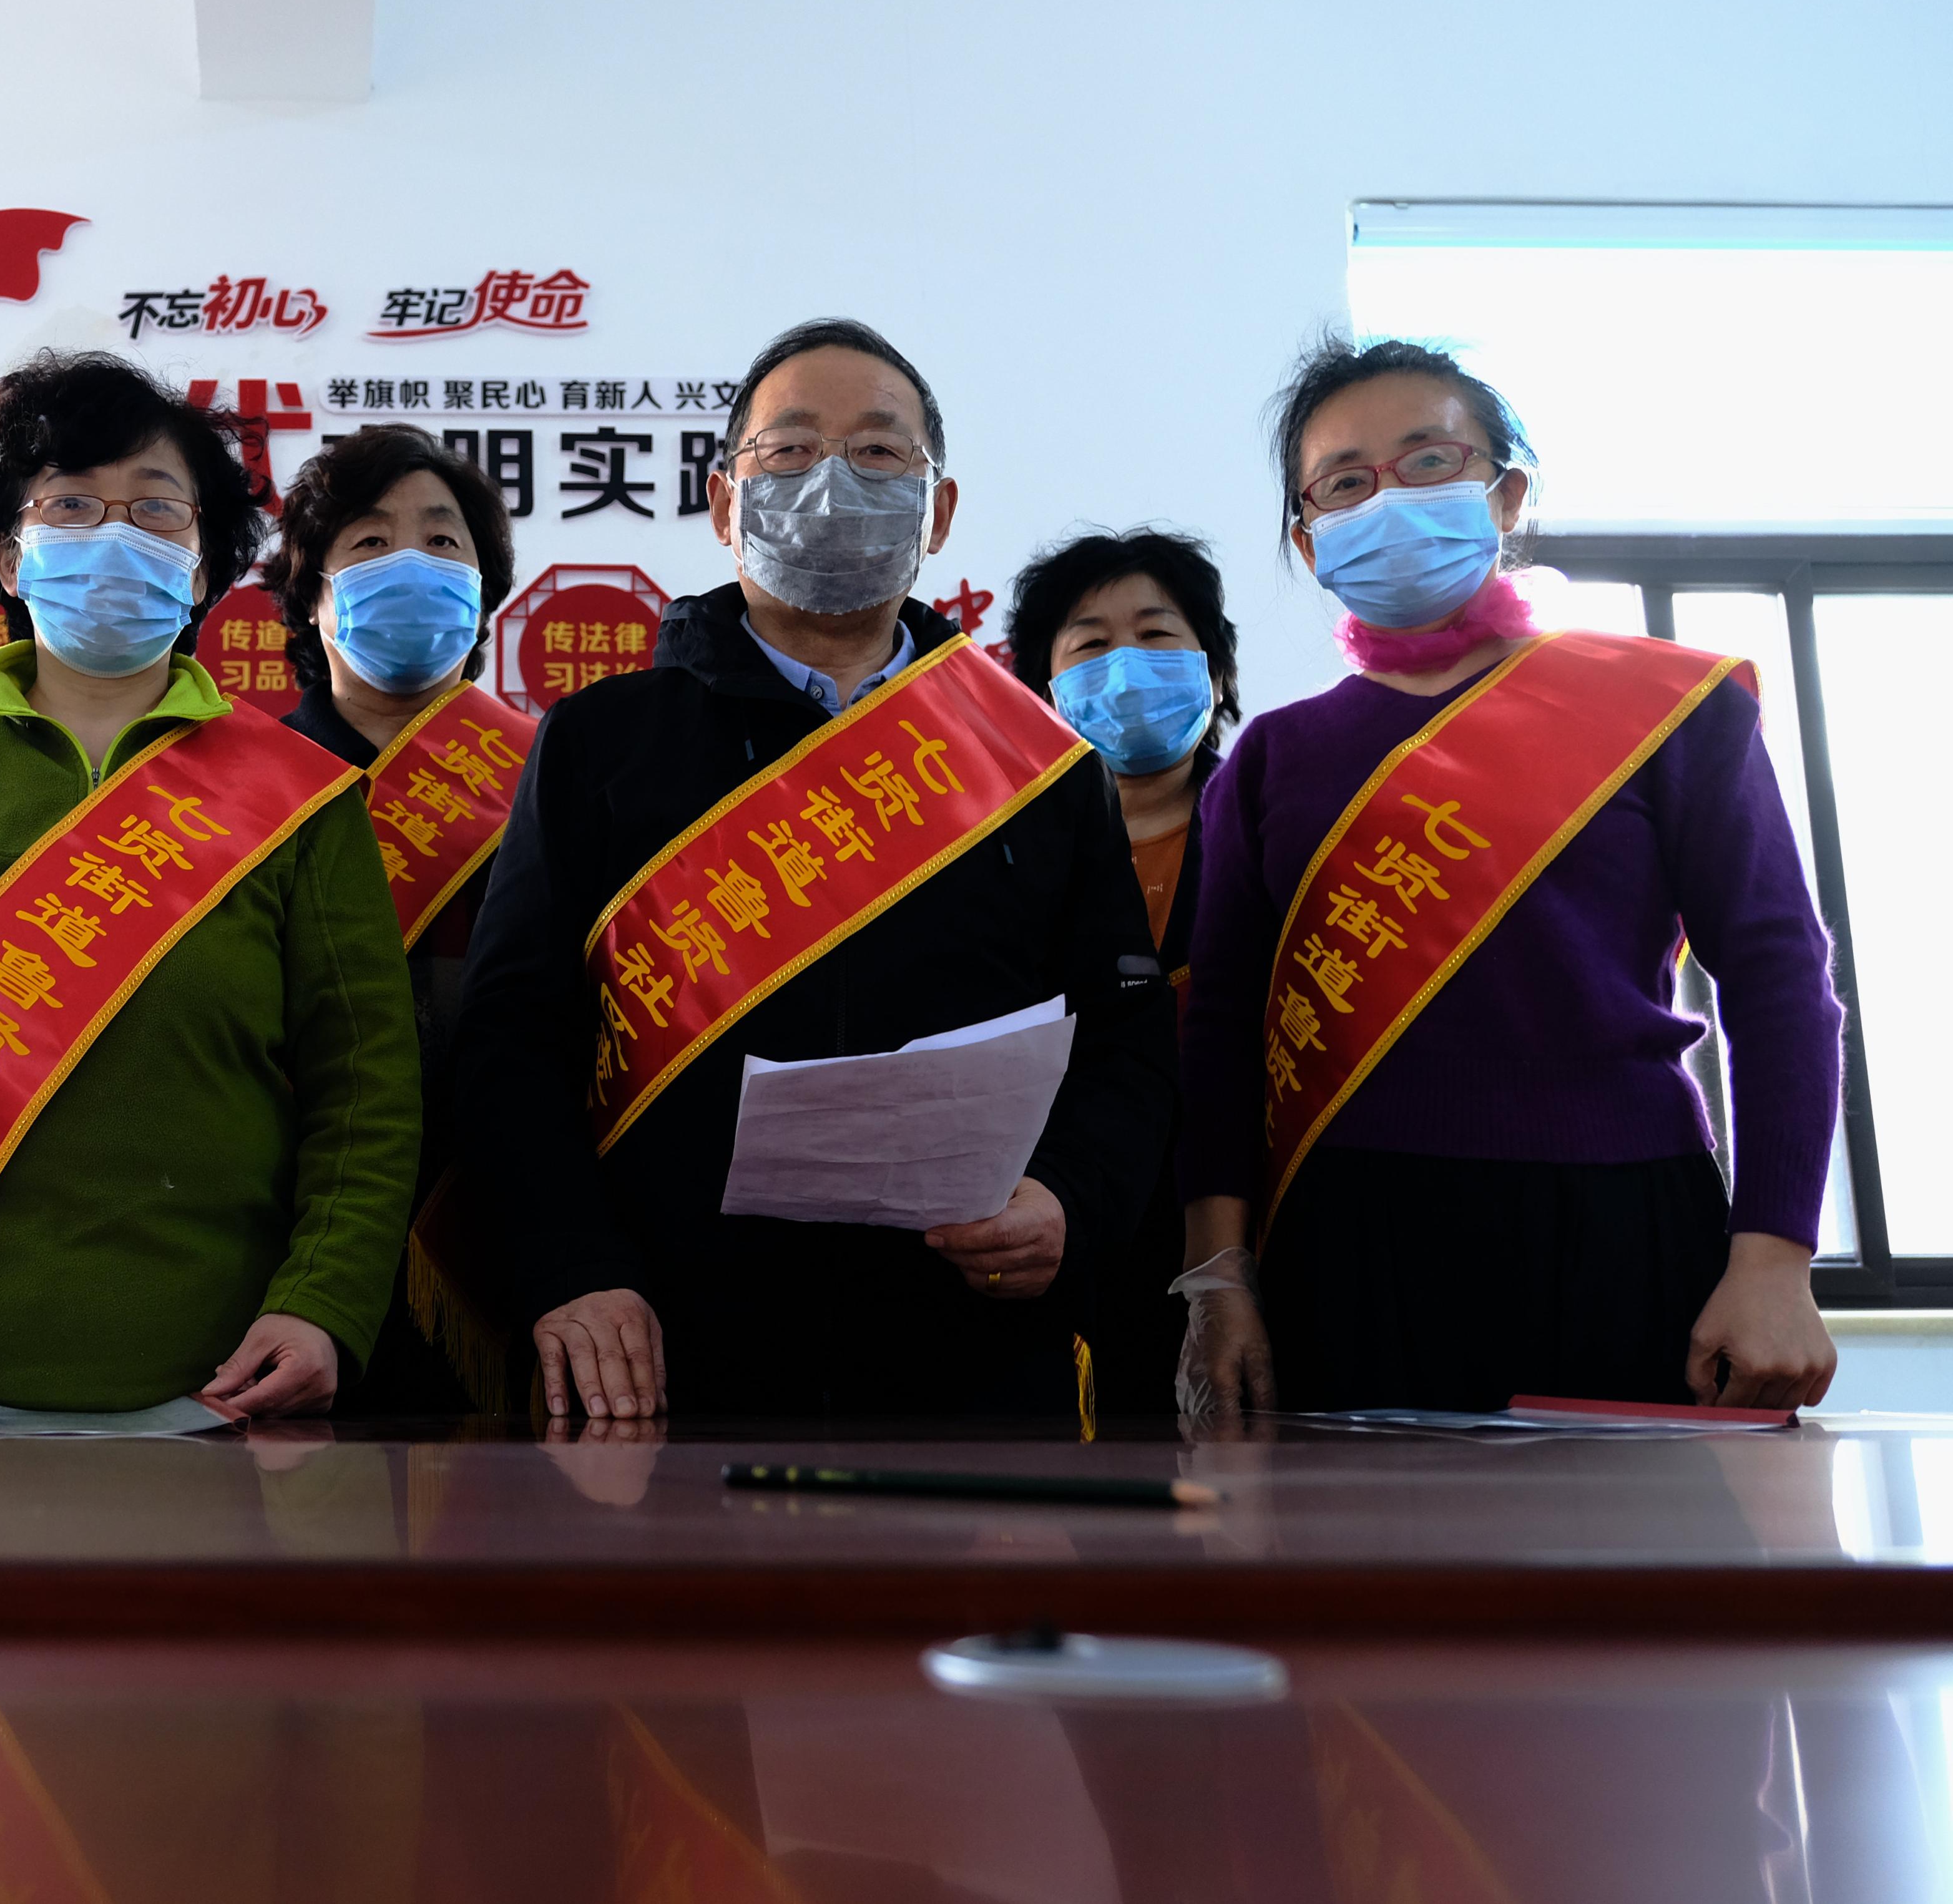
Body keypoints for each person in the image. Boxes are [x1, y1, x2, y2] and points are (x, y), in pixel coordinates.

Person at [453, 318, 1177, 1420]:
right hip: (669, 1348)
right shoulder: (601, 742)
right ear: (723, 502)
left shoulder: (1040, 763)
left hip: (971, 1342)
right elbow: (512, 1035)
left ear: (938, 510)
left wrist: (1070, 1200)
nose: (833, 482)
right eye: (789, 450)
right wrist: (574, 1266)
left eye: (879, 451)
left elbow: (1126, 1035)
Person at [1176, 336, 1842, 1417]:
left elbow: (1778, 980)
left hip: (1623, 1221)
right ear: (1308, 538)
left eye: (1429, 461)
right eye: (1345, 483)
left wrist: (1774, 1257)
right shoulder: (1271, 760)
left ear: (1506, 492)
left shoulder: (1668, 709)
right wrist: (1219, 1281)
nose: (1389, 499)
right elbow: (1221, 1037)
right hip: (1347, 1239)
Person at [0, 351, 418, 1418]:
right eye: (70, 504)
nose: (116, 534)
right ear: (10, 557)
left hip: (226, 1390)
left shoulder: (302, 797)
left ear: (202, 566)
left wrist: (323, 1302)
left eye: (157, 509)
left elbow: (367, 1087)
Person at [262, 422, 529, 1413]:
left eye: (442, 540)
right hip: (273, 1252)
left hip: (500, 1226)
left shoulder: (546, 780)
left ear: (484, 590)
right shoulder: (239, 790)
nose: (410, 562)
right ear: (312, 591)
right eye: (370, 541)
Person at [1004, 527, 1245, 1419]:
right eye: (1091, 644)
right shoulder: (1000, 853)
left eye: (1156, 635)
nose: (1127, 665)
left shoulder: (1275, 830)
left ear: (1214, 670)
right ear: (1042, 688)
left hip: (1249, 1228)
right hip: (1060, 1227)